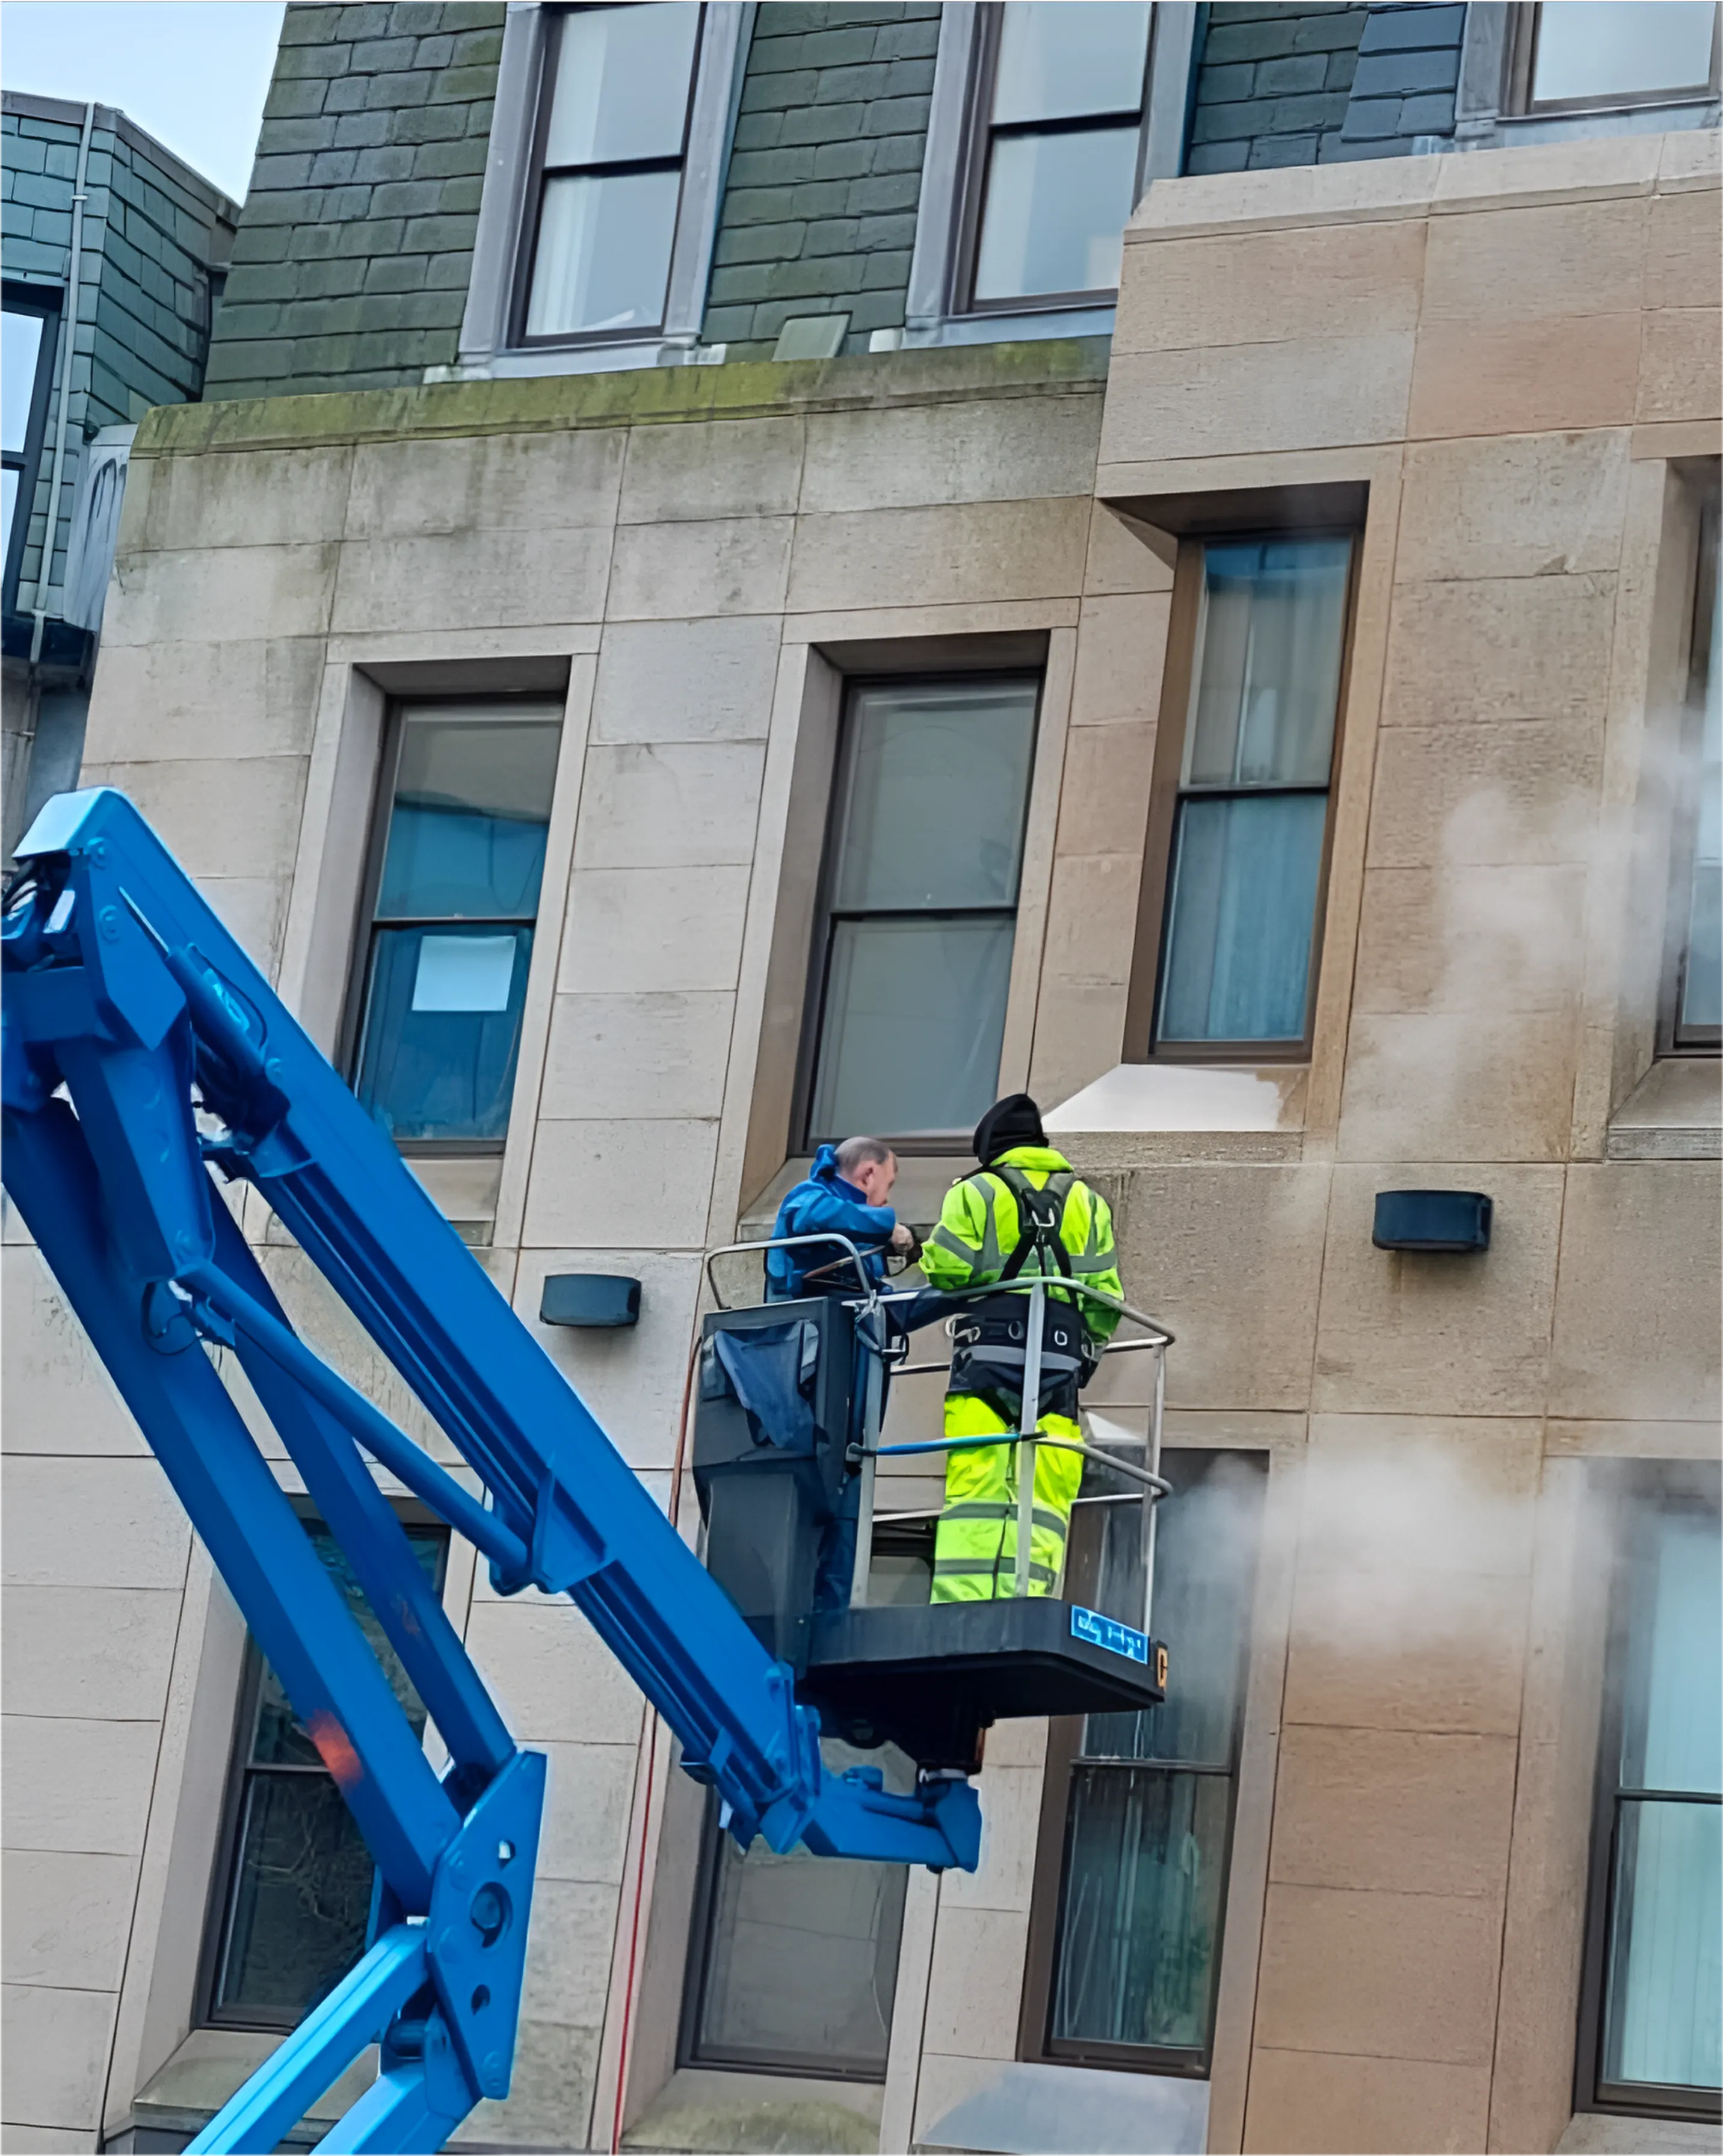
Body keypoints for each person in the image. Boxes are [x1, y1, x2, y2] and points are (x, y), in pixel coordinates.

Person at [918, 1093, 1122, 1603]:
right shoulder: (1089, 1202)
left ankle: (964, 1608)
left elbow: (949, 1269)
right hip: (1060, 1365)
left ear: (992, 1148)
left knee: (978, 1487)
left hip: (987, 1356)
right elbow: (1105, 1300)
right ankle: (1030, 1603)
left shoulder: (977, 1192)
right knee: (1046, 1492)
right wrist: (1083, 1355)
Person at [765, 1136, 913, 1301]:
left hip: (842, 1316)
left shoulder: (858, 1227)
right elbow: (814, 1216)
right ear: (868, 1175)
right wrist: (888, 1226)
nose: (887, 1198)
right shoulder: (808, 1195)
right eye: (889, 1185)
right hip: (803, 1320)